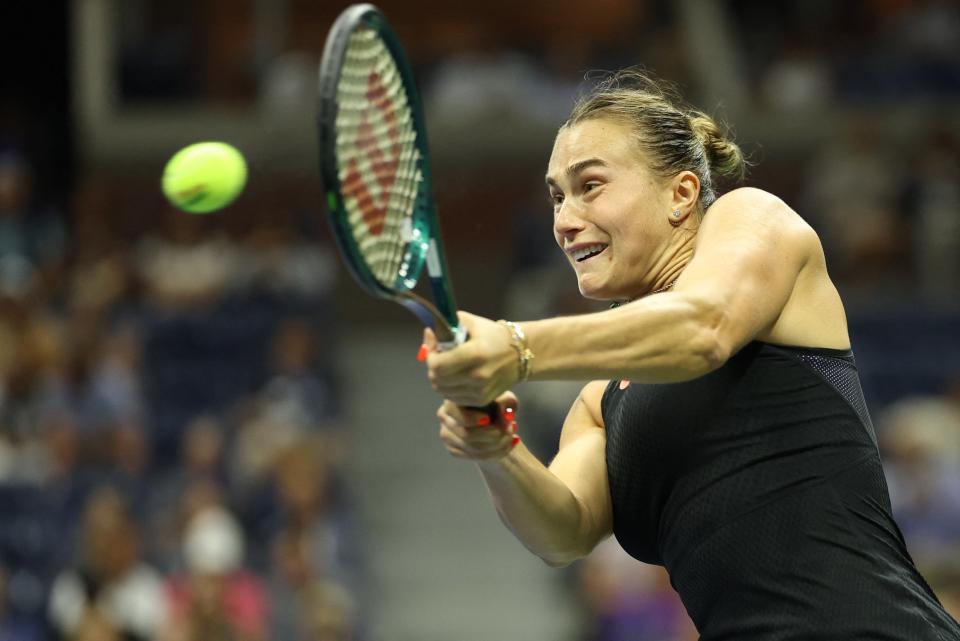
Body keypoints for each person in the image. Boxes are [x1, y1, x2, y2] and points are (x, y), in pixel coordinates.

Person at [422, 68, 960, 640]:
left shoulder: (755, 219)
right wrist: (495, 447)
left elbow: (703, 327)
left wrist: (515, 345)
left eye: (590, 185)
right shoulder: (599, 402)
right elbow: (564, 531)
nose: (564, 219)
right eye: (556, 197)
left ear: (680, 194)